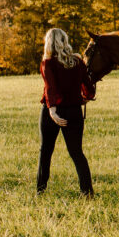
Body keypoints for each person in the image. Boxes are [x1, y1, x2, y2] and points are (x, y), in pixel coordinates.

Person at [36, 27, 95, 197]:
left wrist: (53, 111)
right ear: (64, 41)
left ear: (49, 42)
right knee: (77, 153)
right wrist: (84, 97)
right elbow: (89, 88)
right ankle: (87, 192)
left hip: (52, 111)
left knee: (45, 151)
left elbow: (50, 87)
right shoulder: (77, 61)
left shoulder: (47, 63)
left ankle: (41, 191)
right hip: (74, 111)